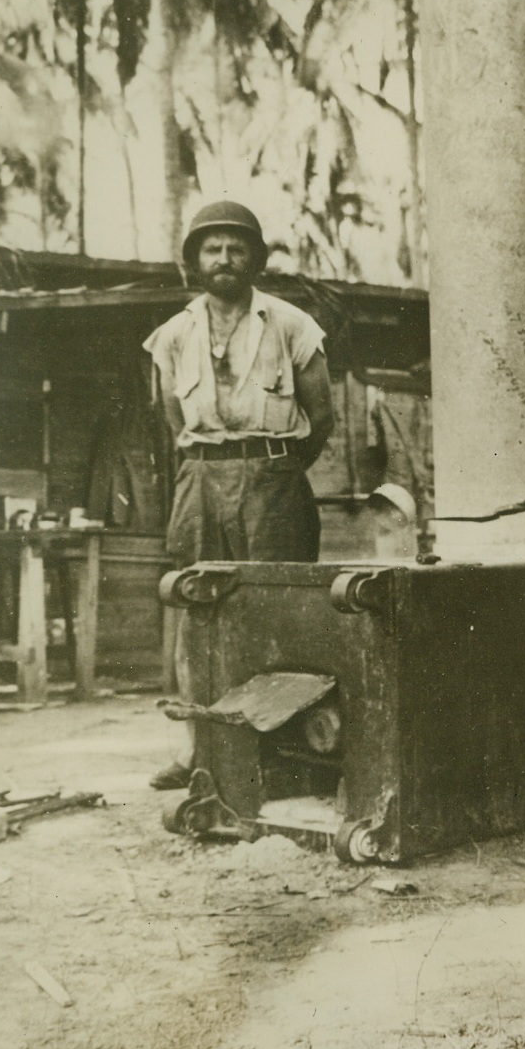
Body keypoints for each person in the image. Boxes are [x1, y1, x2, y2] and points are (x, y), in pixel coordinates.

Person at [143, 200, 334, 789]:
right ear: (193, 261)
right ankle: (197, 747)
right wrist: (212, 467)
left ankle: (283, 750)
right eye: (211, 248)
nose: (224, 259)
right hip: (199, 478)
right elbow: (170, 416)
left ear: (256, 257)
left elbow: (321, 417)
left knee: (279, 609)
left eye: (236, 247)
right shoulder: (172, 336)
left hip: (272, 478)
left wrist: (271, 471)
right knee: (196, 605)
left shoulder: (293, 325)